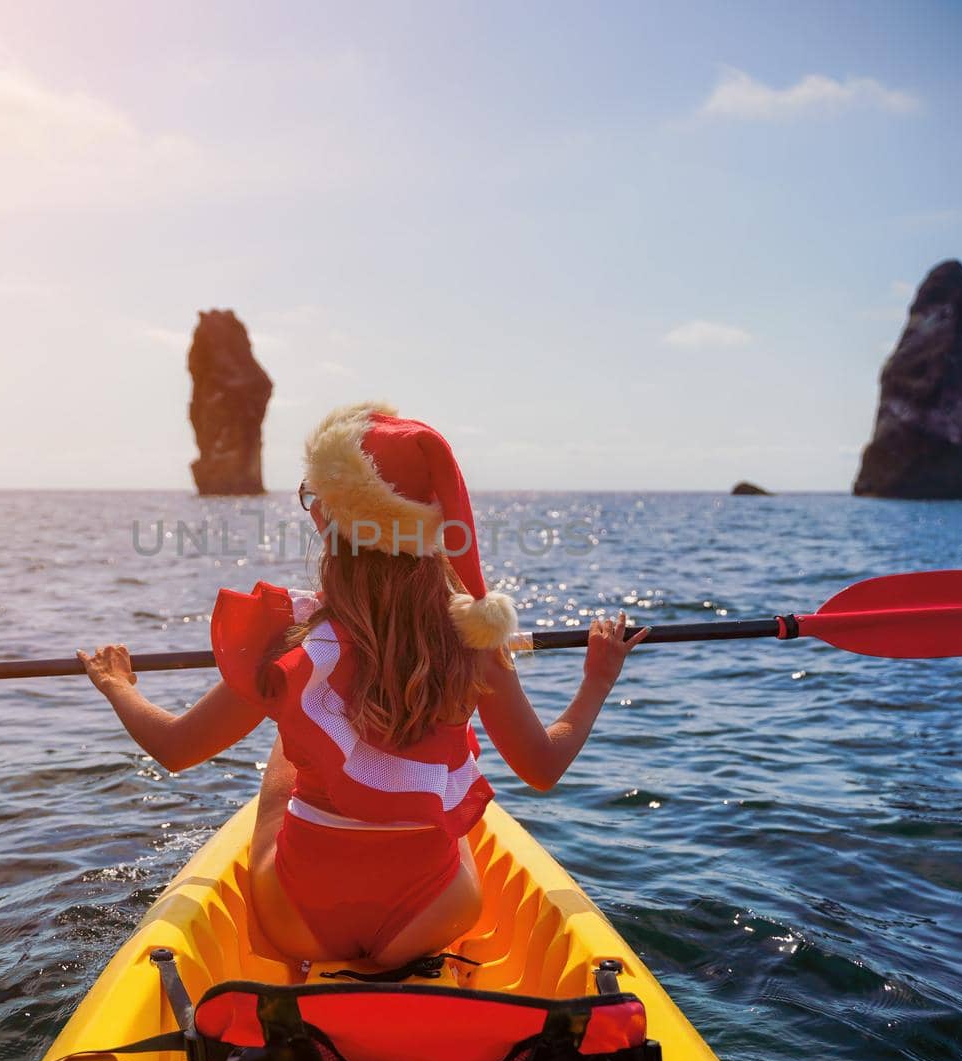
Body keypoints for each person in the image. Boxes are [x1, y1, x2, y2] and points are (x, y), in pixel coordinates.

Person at [79, 401, 647, 968]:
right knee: (452, 804)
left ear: (331, 520)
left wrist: (117, 685)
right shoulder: (474, 641)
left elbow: (176, 749)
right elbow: (542, 768)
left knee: (290, 742)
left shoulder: (293, 645)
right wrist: (599, 677)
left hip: (300, 921)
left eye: (314, 498)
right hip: (433, 916)